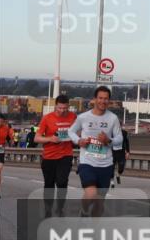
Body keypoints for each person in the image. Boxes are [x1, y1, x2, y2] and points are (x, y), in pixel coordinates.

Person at [68, 86, 123, 217]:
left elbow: (119, 139)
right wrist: (78, 140)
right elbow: (71, 131)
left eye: (106, 99)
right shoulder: (83, 117)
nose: (103, 101)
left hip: (106, 164)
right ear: (94, 99)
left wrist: (108, 140)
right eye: (100, 98)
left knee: (99, 202)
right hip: (87, 162)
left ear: (109, 101)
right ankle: (84, 210)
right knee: (91, 193)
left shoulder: (113, 118)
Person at [35, 95, 77, 216]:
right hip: (49, 156)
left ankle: (60, 208)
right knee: (49, 184)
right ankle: (48, 210)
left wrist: (76, 137)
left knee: (62, 181)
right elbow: (36, 138)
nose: (63, 111)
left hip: (66, 154)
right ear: (55, 106)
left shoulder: (73, 116)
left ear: (68, 106)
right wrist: (51, 139)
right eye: (60, 108)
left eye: (65, 108)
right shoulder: (47, 118)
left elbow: (78, 132)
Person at [0, 114, 10, 198]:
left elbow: (9, 139)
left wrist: (9, 142)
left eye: (2, 121)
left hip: (0, 149)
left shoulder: (6, 128)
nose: (0, 123)